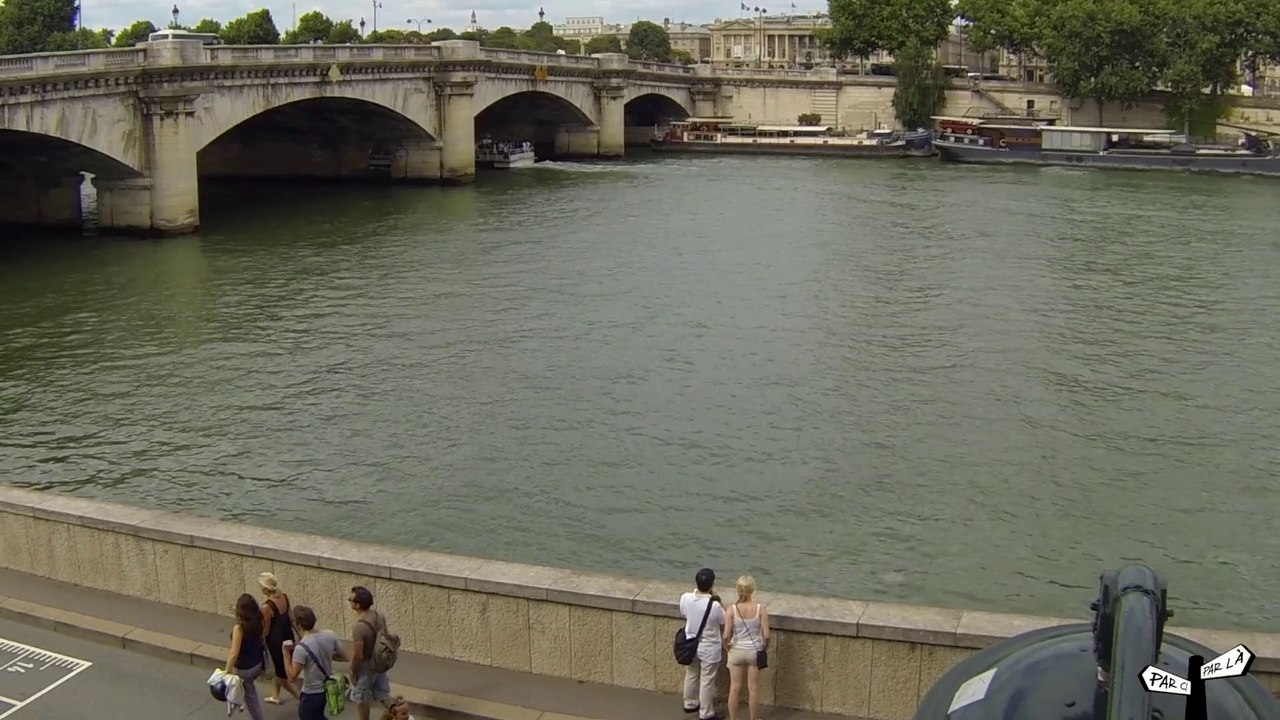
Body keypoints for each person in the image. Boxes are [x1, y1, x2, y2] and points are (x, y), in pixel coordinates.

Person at [283, 605, 347, 720]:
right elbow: (344, 656)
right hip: (326, 689)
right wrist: (325, 655)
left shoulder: (301, 647)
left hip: (310, 694)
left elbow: (292, 676)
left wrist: (286, 654)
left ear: (298, 624)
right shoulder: (330, 635)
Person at [679, 568, 727, 720]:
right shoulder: (714, 606)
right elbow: (724, 620)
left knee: (692, 673)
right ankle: (706, 713)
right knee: (707, 680)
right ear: (712, 585)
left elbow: (684, 612)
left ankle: (689, 703)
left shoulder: (685, 598)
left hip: (690, 643)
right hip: (709, 646)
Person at [723, 576, 771, 720]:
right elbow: (767, 635)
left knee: (734, 688)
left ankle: (733, 718)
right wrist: (764, 647)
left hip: (736, 650)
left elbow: (726, 635)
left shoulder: (731, 609)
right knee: (754, 689)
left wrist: (727, 647)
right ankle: (754, 718)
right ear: (753, 590)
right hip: (754, 651)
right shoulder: (760, 609)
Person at [349, 585, 393, 720]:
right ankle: (399, 714)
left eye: (350, 600)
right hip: (379, 661)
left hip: (366, 666)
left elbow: (358, 655)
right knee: (383, 695)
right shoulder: (379, 616)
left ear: (358, 605)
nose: (349, 601)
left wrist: (352, 671)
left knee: (361, 699)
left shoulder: (359, 627)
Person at [259, 571, 301, 705]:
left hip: (276, 642)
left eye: (262, 586)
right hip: (288, 635)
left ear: (266, 589)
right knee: (281, 668)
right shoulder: (284, 597)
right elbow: (291, 619)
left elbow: (266, 630)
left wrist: (259, 640)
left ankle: (300, 696)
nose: (260, 589)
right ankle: (276, 695)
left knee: (281, 673)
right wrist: (300, 636)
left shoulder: (267, 607)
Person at [225, 593, 268, 720]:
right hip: (258, 663)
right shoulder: (259, 618)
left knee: (251, 697)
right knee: (248, 688)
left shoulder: (239, 628)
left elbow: (234, 653)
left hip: (244, 668)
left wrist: (226, 672)